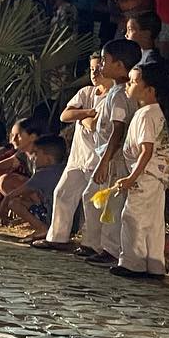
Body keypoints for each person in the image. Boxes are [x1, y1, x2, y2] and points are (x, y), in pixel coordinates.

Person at [33, 53, 111, 252]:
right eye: (91, 69)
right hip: (78, 156)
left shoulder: (114, 97)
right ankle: (57, 237)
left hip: (97, 158)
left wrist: (81, 117)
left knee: (92, 201)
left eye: (98, 69)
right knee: (63, 192)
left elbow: (94, 126)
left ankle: (92, 244)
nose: (94, 73)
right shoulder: (86, 92)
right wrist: (85, 113)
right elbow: (66, 115)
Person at [111, 62, 169, 279]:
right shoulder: (150, 113)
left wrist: (131, 177)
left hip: (145, 175)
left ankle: (132, 262)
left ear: (150, 90)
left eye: (134, 81)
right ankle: (155, 265)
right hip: (156, 176)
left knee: (133, 217)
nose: (128, 84)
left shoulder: (146, 115)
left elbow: (146, 151)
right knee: (153, 221)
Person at [82, 38, 140, 265]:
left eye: (105, 61)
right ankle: (96, 244)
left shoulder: (118, 95)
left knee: (110, 204)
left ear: (119, 65)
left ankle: (110, 248)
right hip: (108, 156)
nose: (101, 66)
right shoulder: (118, 91)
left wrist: (105, 161)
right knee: (94, 198)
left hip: (114, 159)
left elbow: (118, 129)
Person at [0, 134, 66, 240]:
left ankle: (42, 228)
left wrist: (1, 211)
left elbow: (11, 196)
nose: (33, 158)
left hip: (52, 219)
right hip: (69, 222)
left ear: (48, 158)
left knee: (14, 203)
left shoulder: (42, 174)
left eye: (36, 154)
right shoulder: (64, 170)